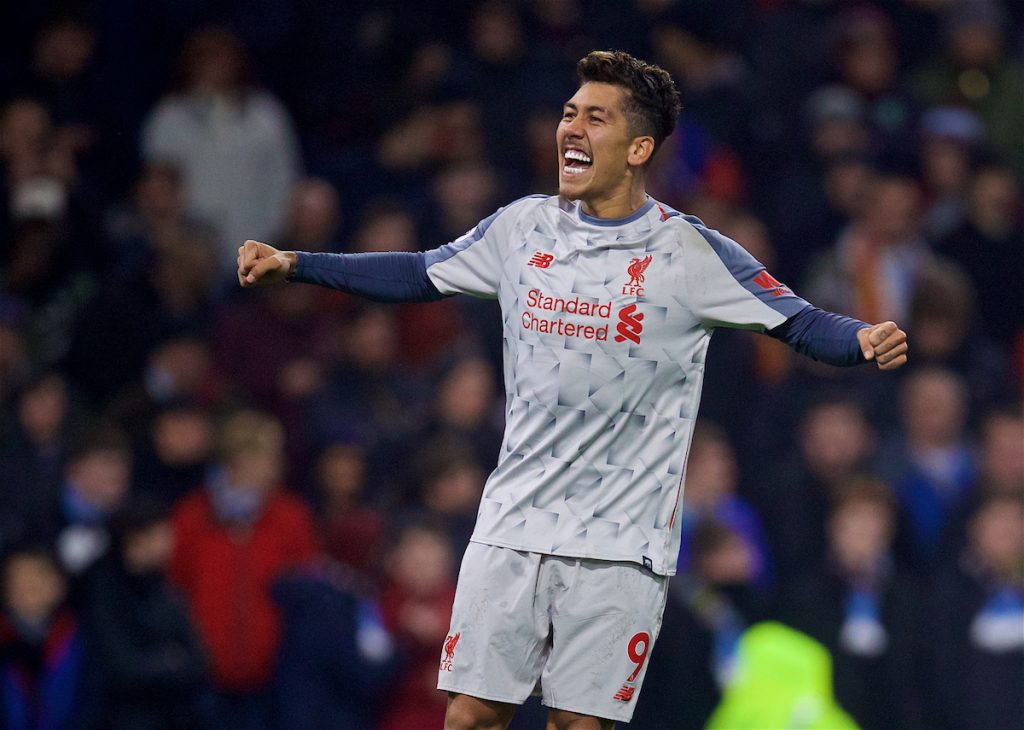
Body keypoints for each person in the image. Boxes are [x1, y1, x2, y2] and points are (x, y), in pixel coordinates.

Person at [237, 50, 908, 729]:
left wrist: (860, 339)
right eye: (569, 113)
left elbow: (797, 321)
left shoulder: (692, 254)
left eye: (596, 117)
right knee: (470, 715)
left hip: (621, 542)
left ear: (640, 146)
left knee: (577, 726)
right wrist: (296, 265)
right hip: (514, 524)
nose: (572, 129)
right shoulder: (521, 228)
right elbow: (417, 271)